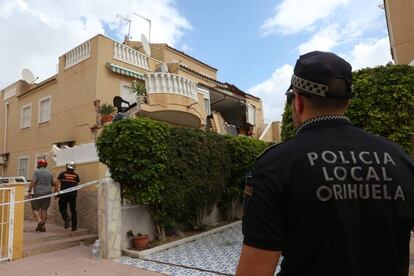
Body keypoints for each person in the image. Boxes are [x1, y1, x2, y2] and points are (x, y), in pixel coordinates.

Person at [236, 51, 414, 276]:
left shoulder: (276, 166)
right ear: (347, 103)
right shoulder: (399, 158)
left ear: (298, 102)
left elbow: (255, 271)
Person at [28, 159, 55, 232]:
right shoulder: (49, 173)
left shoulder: (36, 171)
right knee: (44, 209)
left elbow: (33, 181)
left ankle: (40, 221)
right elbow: (53, 183)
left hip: (38, 193)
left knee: (35, 208)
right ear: (46, 165)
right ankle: (42, 227)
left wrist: (29, 191)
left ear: (38, 165)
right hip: (48, 193)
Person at [56, 161, 80, 231]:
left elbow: (57, 184)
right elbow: (77, 185)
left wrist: (56, 193)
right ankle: (74, 227)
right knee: (73, 210)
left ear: (67, 167)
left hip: (63, 194)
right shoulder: (76, 176)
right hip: (73, 194)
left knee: (62, 208)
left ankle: (66, 218)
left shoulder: (62, 174)